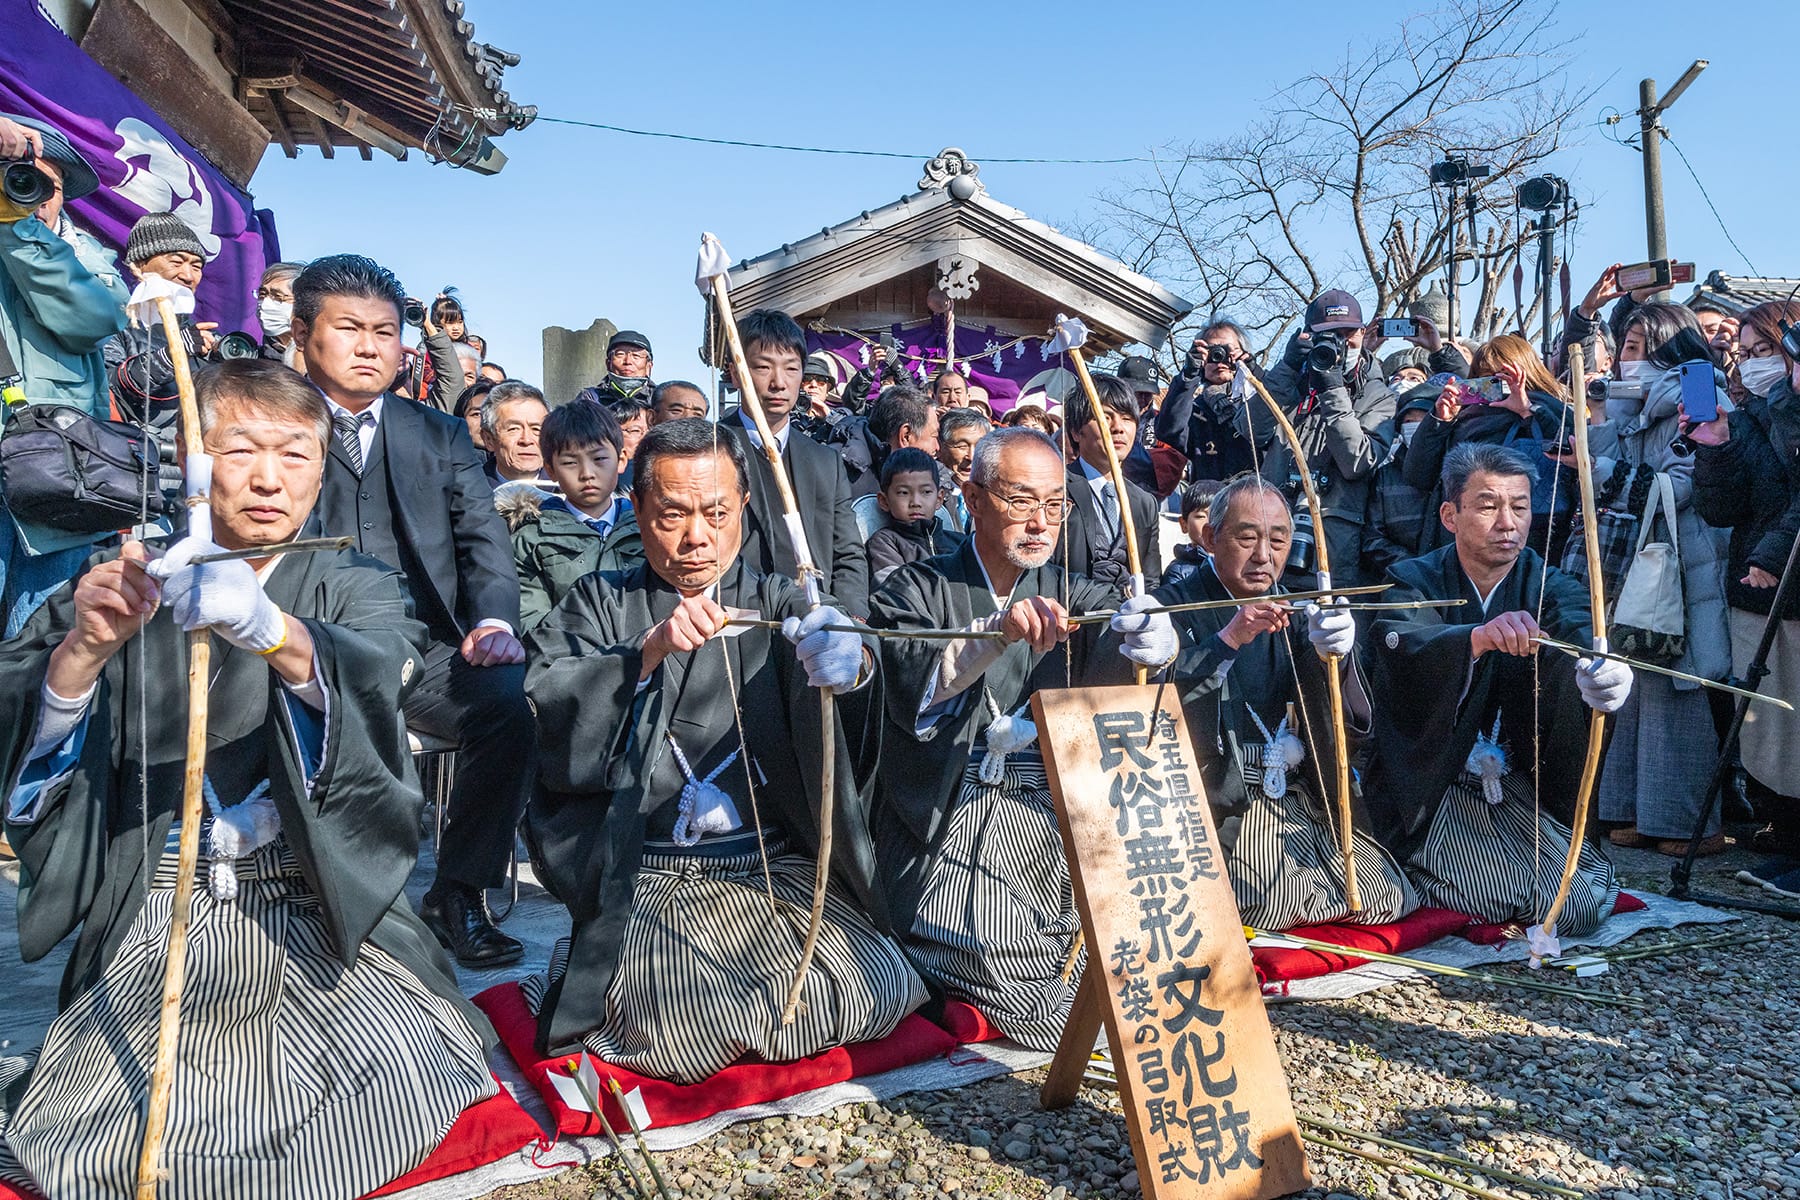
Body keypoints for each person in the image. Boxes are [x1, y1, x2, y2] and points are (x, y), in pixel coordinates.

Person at [0, 359, 494, 1198]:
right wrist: (83, 650)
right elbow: (26, 730)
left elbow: (381, 672)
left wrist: (271, 628)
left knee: (382, 1082)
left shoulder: (352, 580)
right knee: (125, 1125)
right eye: (240, 450)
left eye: (296, 455)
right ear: (192, 461)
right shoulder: (124, 577)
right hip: (160, 908)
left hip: (315, 904)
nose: (270, 478)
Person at [522, 419, 926, 1077]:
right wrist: (646, 652)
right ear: (636, 509)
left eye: (716, 512)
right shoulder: (599, 601)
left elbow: (861, 674)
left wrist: (852, 665)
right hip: (653, 876)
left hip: (769, 869)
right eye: (671, 514)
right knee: (681, 1020)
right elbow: (549, 705)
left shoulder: (776, 600)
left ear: (743, 507)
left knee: (869, 983)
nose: (696, 538)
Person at [868, 427, 1150, 1049]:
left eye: (1055, 504)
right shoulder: (913, 586)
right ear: (970, 499)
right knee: (1001, 954)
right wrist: (990, 635)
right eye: (1022, 501)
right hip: (947, 807)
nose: (1041, 523)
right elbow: (911, 685)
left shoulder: (1069, 590)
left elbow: (1127, 624)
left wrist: (1154, 633)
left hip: (1045, 805)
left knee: (1128, 933)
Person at [294, 254, 534, 967]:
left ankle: (458, 891)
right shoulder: (271, 419)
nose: (371, 346)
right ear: (304, 333)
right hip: (304, 642)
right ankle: (329, 900)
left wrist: (493, 621)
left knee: (507, 710)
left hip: (425, 648)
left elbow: (482, 542)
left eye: (385, 331)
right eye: (349, 329)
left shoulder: (439, 434)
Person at [1093, 475, 1418, 928]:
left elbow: (1344, 721)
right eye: (1247, 537)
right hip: (1210, 796)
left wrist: (1337, 658)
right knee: (1256, 900)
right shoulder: (1165, 609)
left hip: (1291, 787)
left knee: (1382, 892)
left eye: (1278, 540)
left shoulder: (1298, 609)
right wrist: (1227, 640)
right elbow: (1137, 715)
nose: (1264, 555)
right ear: (1210, 537)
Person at [1363, 444, 1630, 935]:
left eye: (1520, 506)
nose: (1507, 522)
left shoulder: (1551, 584)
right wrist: (1473, 640)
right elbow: (1399, 644)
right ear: (1450, 514)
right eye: (1488, 505)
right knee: (1489, 892)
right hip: (1434, 785)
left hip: (1520, 784)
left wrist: (1601, 675)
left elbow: (1574, 637)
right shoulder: (1412, 579)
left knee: (1573, 905)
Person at [1588, 305, 1732, 857]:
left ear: (1668, 344)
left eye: (1635, 345)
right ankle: (1631, 810)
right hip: (1640, 553)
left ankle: (1688, 821)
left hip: (1689, 554)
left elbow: (1692, 479)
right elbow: (1609, 467)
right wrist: (1601, 421)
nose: (1625, 357)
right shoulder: (1631, 401)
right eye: (1623, 345)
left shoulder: (1699, 384)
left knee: (1681, 683)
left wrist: (1606, 474)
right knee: (1638, 675)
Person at [0, 113, 129, 635]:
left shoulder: (88, 257)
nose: (25, 187)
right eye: (7, 170)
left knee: (39, 650)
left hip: (51, 477)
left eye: (39, 181)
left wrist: (15, 226)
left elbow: (91, 320)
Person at [1690, 300, 1800, 855]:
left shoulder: (1791, 416)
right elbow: (1723, 508)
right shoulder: (1747, 415)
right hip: (1751, 587)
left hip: (1789, 585)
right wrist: (1714, 451)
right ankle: (1780, 830)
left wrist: (1774, 555)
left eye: (1768, 351)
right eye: (1748, 353)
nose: (1756, 363)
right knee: (1762, 726)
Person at [720, 309, 869, 616]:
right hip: (736, 622)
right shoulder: (710, 449)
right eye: (763, 367)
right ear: (736, 373)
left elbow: (847, 553)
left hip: (816, 622)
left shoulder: (824, 460)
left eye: (791, 369)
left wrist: (851, 621)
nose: (779, 383)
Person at [1259, 291, 1398, 585]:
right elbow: (1248, 431)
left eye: (1349, 334)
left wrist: (1331, 390)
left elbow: (1358, 462)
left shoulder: (1379, 396)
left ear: (1363, 332)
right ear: (1308, 335)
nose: (1341, 344)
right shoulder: (1292, 383)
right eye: (1330, 335)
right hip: (1270, 544)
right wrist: (1286, 370)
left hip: (1335, 557)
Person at [1404, 334, 1578, 564]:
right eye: (1485, 378)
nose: (1495, 386)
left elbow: (1573, 454)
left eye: (1504, 377)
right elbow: (1417, 476)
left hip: (1537, 543)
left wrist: (1528, 410)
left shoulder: (1552, 410)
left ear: (1527, 373)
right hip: (1463, 543)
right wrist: (1438, 421)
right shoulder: (1462, 420)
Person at [104, 212, 218, 502]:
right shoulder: (112, 324)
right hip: (134, 484)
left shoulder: (202, 338)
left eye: (197, 266)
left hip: (194, 490)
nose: (188, 275)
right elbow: (113, 386)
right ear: (140, 266)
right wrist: (172, 353)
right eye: (176, 261)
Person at [506, 399, 641, 630]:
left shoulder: (646, 527)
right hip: (568, 658)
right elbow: (532, 621)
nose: (587, 473)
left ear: (621, 460)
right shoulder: (531, 539)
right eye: (570, 462)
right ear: (551, 470)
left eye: (599, 459)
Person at [1058, 373, 1162, 593]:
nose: (1118, 427)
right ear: (1077, 431)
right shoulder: (1055, 490)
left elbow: (1151, 580)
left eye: (1127, 418)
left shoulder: (1145, 503)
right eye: (1105, 417)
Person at [1155, 319, 1263, 485]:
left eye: (1228, 350)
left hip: (1256, 499)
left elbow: (1280, 413)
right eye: (1213, 351)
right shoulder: (1195, 408)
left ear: (1243, 353)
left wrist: (1254, 373)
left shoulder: (1257, 398)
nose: (1220, 360)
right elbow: (1168, 430)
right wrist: (1189, 375)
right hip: (1210, 503)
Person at [1361, 382, 1438, 578]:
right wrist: (1412, 565)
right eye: (1408, 421)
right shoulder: (1385, 476)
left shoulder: (1453, 471)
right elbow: (1373, 538)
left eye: (1422, 420)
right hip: (1401, 578)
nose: (1414, 426)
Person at [866, 447, 964, 588]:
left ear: (939, 498)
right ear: (884, 501)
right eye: (903, 493)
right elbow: (897, 592)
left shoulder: (959, 542)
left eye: (926, 492)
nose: (916, 502)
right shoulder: (885, 544)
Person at [482, 380, 549, 485]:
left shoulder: (572, 493)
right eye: (514, 429)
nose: (526, 440)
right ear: (488, 439)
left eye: (536, 429)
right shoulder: (466, 493)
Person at [936, 406, 991, 532]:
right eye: (962, 446)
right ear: (940, 446)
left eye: (980, 446)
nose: (971, 457)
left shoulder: (997, 493)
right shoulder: (927, 492)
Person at [574, 329, 655, 408]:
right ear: (608, 363)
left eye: (636, 356)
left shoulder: (660, 399)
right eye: (620, 354)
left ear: (649, 365)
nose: (627, 361)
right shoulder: (590, 398)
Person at [1161, 479, 1219, 588]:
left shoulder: (1238, 564)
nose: (1209, 524)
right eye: (1201, 516)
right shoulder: (1179, 572)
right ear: (1184, 524)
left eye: (1217, 515)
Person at [256, 260, 305, 370]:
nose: (265, 304)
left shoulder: (323, 360)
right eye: (262, 295)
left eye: (278, 297)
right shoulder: (252, 361)